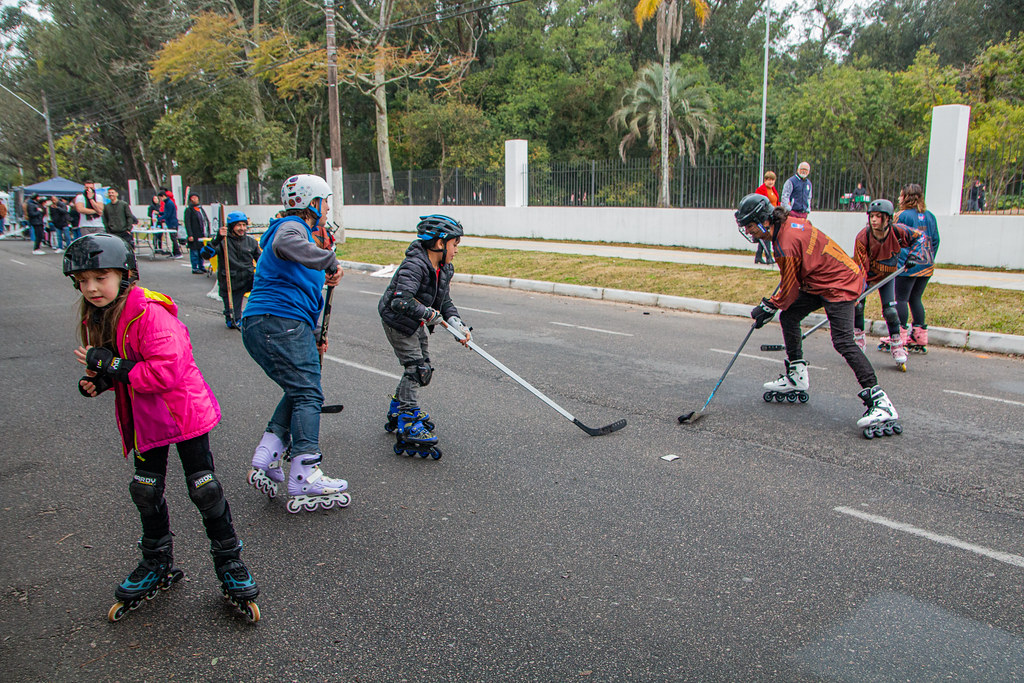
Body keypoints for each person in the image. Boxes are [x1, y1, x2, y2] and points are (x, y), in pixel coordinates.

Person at [63, 233, 260, 622]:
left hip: (182, 411)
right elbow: (120, 365)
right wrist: (100, 381)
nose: (91, 288)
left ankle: (229, 561)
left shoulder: (149, 313)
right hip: (146, 416)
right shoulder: (97, 316)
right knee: (145, 490)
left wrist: (110, 366)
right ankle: (156, 560)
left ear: (124, 274)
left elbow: (165, 372)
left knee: (204, 488)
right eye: (83, 281)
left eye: (100, 277)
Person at [734, 193, 902, 438]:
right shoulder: (789, 224)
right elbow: (794, 274)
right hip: (819, 280)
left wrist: (768, 306)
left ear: (764, 220)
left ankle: (880, 401)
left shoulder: (785, 244)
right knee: (790, 317)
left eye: (750, 225)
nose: (748, 231)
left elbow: (789, 290)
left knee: (843, 341)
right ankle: (797, 376)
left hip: (838, 284)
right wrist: (775, 304)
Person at [241, 174, 350, 512]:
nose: (328, 208)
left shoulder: (303, 236)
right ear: (312, 203)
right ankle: (305, 472)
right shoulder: (292, 227)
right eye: (325, 202)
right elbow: (285, 243)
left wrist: (316, 335)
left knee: (299, 388)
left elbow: (304, 293)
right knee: (308, 393)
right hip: (277, 321)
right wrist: (328, 260)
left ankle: (269, 453)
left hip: (276, 323)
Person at [378, 214, 472, 459]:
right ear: (440, 243)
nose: (456, 250)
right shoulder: (414, 265)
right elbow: (400, 301)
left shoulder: (444, 268)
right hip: (398, 321)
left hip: (416, 320)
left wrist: (457, 324)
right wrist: (429, 314)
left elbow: (444, 301)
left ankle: (399, 407)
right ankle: (408, 421)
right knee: (416, 369)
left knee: (424, 369)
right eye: (454, 244)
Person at [852, 199, 930, 371]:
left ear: (887, 218)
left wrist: (913, 256)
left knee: (890, 311)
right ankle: (858, 340)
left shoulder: (897, 232)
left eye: (878, 216)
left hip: (888, 276)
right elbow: (860, 267)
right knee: (858, 306)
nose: (874, 220)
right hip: (868, 276)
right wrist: (858, 290)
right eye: (872, 216)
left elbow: (921, 237)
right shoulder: (863, 237)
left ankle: (897, 345)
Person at [894, 183, 940, 353]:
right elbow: (935, 240)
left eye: (901, 195)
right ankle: (920, 336)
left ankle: (899, 335)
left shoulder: (902, 216)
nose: (899, 198)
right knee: (915, 298)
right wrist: (929, 257)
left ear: (906, 197)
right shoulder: (930, 216)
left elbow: (895, 238)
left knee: (901, 299)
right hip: (926, 263)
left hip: (907, 264)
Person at [202, 210, 261, 329]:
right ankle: (233, 317)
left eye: (244, 225)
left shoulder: (251, 242)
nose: (242, 228)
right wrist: (217, 239)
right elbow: (205, 255)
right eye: (238, 225)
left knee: (263, 297)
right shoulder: (223, 241)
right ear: (231, 226)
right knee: (232, 320)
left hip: (248, 278)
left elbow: (261, 260)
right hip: (231, 281)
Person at [753, 171, 779, 264]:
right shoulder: (760, 190)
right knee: (766, 236)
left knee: (765, 236)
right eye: (769, 180)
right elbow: (758, 203)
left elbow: (776, 202)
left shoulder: (773, 190)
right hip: (764, 216)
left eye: (772, 180)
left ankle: (758, 257)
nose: (771, 182)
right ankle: (769, 257)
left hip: (772, 215)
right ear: (765, 180)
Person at [183, 193, 210, 274]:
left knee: (201, 251)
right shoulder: (189, 210)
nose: (194, 199)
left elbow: (205, 220)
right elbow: (187, 223)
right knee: (194, 252)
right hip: (194, 234)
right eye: (192, 198)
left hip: (202, 234)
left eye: (196, 197)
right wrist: (190, 234)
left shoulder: (200, 209)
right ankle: (195, 267)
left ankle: (201, 266)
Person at [161, 189, 183, 260]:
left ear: (163, 196)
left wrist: (160, 218)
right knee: (172, 238)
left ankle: (178, 252)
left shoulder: (169, 203)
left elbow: (168, 214)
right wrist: (159, 213)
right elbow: (165, 212)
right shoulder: (167, 202)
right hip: (170, 222)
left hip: (172, 223)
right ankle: (174, 252)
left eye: (160, 198)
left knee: (174, 238)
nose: (160, 199)